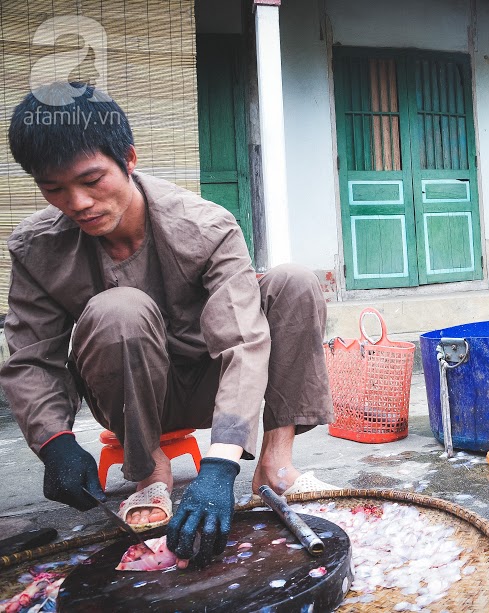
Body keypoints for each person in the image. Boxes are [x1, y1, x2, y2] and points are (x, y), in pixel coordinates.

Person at [0, 82, 334, 567]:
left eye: (92, 179)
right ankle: (150, 473)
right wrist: (55, 443)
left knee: (295, 282)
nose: (77, 202)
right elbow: (31, 356)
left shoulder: (206, 226)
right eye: (54, 189)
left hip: (215, 386)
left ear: (128, 159)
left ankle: (275, 465)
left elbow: (242, 342)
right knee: (120, 308)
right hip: (127, 394)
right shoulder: (37, 248)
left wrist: (220, 467)